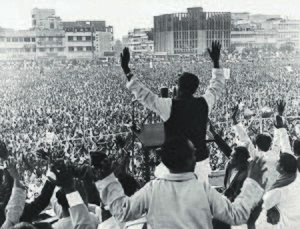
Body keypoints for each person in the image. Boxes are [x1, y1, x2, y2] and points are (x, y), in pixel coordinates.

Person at [93, 136, 267, 229]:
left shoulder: (153, 189)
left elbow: (121, 213)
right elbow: (237, 215)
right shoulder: (203, 190)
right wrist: (253, 181)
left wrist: (108, 179)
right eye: (193, 153)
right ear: (188, 160)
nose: (195, 156)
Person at [120, 41, 225, 182]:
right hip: (199, 164)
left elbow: (144, 95)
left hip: (175, 167)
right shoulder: (204, 103)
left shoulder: (168, 105)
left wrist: (127, 70)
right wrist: (216, 62)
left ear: (178, 88)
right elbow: (217, 86)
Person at [256, 153, 299, 229]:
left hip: (286, 224)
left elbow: (263, 204)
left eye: (278, 161)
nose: (276, 161)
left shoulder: (278, 191)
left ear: (282, 168)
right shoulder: (296, 177)